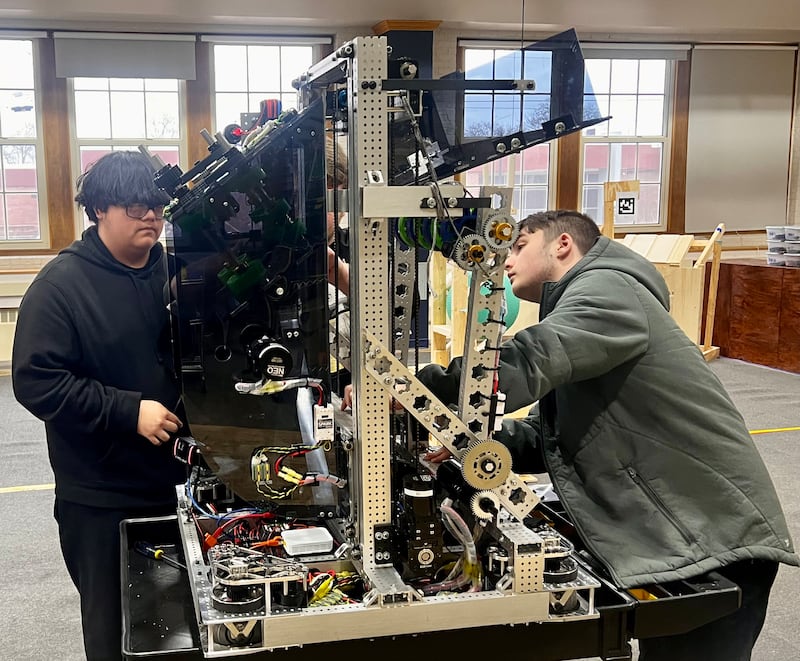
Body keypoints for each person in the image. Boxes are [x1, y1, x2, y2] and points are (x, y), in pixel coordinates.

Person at [414, 209, 798, 660]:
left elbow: (533, 357)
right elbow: (549, 435)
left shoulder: (608, 289)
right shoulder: (585, 307)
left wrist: (411, 389)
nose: (507, 260)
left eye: (518, 246)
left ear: (562, 244)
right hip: (674, 531)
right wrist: (471, 448)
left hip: (713, 539)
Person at [12, 151, 188, 661]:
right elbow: (36, 382)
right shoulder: (60, 287)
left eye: (157, 206)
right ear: (99, 211)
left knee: (180, 635)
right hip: (102, 502)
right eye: (136, 208)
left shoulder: (178, 273)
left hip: (177, 490)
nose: (151, 218)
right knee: (118, 638)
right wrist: (128, 411)